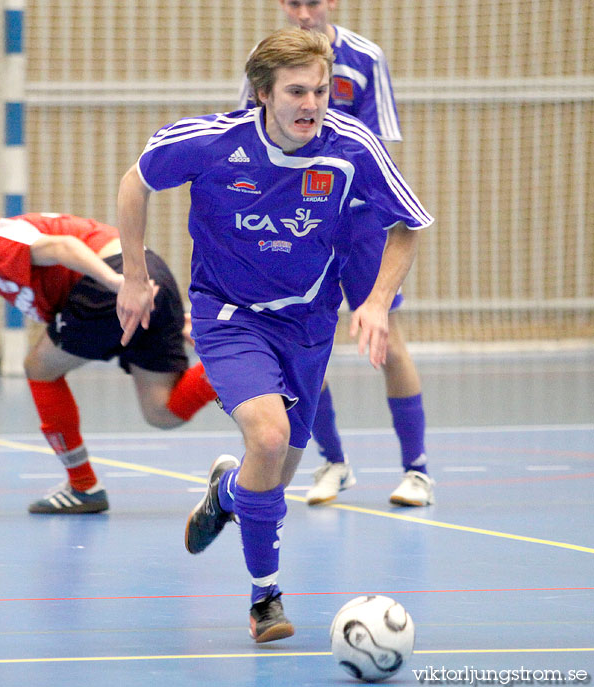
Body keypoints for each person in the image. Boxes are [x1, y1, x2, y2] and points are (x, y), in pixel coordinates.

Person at [116, 28, 433, 642]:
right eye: (296, 91)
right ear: (263, 93)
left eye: (320, 90)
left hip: (308, 322)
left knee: (273, 476)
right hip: (228, 314)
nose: (311, 103)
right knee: (268, 437)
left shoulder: (351, 147)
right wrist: (133, 276)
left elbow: (407, 225)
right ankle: (267, 599)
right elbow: (136, 182)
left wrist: (373, 303)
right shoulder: (210, 143)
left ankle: (227, 495)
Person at [239, 0, 435, 508]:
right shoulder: (268, 59)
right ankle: (333, 463)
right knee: (309, 352)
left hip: (359, 222)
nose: (304, 12)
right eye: (293, 2)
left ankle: (417, 470)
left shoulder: (365, 58)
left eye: (314, 1)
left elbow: (378, 145)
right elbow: (251, 136)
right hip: (301, 226)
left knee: (387, 342)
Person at [0, 189, 218, 513]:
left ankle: (83, 485)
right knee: (163, 413)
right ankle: (236, 361)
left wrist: (119, 284)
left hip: (113, 279)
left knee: (39, 367)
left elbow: (64, 247)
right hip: (148, 273)